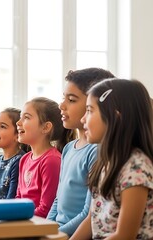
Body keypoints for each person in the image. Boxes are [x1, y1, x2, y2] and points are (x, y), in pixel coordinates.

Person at [70, 79, 153, 240]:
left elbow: (124, 236)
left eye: (90, 110)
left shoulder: (136, 168)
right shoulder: (105, 163)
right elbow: (91, 220)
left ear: (115, 118)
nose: (82, 119)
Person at [47, 68, 115, 236]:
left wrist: (56, 235)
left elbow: (88, 214)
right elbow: (58, 200)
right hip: (60, 231)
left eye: (71, 100)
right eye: (64, 98)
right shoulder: (69, 148)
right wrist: (45, 229)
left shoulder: (97, 151)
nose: (61, 105)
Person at [15, 97, 75, 218]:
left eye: (26, 117)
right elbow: (18, 198)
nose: (18, 123)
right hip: (24, 221)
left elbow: (46, 209)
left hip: (38, 224)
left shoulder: (52, 161)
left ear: (46, 127)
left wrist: (16, 217)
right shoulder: (24, 159)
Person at [0, 107, 28, 199]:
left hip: (6, 212)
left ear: (17, 134)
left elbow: (11, 199)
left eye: (2, 126)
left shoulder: (20, 161)